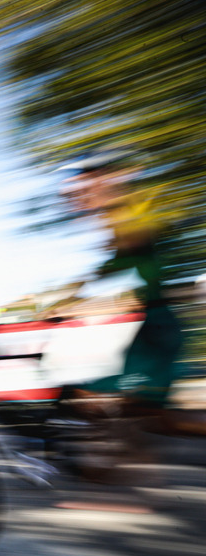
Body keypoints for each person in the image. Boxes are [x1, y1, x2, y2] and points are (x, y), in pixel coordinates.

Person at [55, 150, 204, 479]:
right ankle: (113, 465)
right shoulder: (120, 223)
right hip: (147, 328)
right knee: (131, 408)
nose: (77, 194)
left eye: (83, 183)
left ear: (104, 179)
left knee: (101, 396)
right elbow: (112, 271)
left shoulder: (129, 217)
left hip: (149, 331)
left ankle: (111, 465)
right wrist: (77, 297)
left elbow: (131, 278)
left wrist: (83, 302)